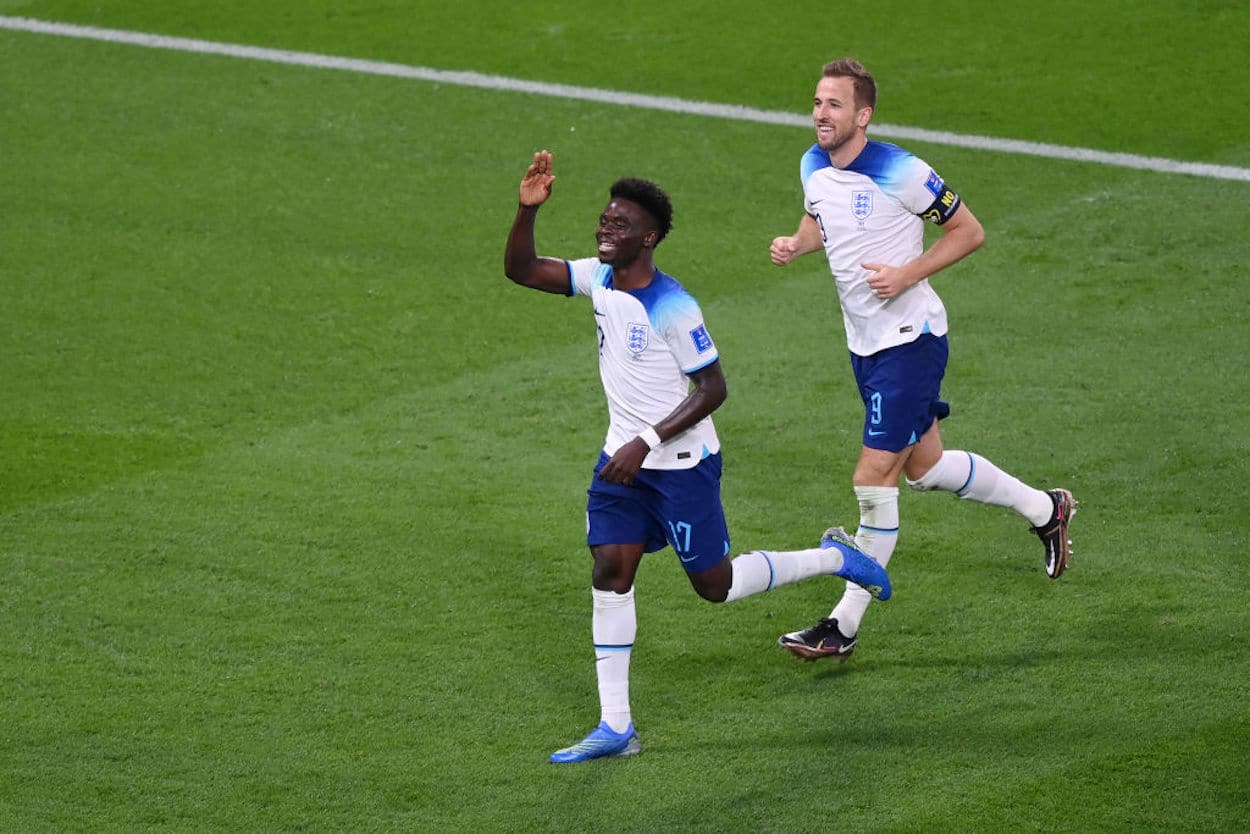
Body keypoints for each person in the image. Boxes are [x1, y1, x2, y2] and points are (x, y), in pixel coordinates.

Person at [504, 149, 891, 763]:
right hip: (621, 466)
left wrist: (647, 441)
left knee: (715, 585)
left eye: (619, 225)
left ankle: (834, 557)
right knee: (610, 571)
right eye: (603, 221)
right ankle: (616, 727)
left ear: (649, 237)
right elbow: (522, 270)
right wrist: (526, 212)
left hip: (680, 466)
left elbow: (713, 388)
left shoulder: (674, 307)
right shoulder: (599, 278)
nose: (605, 229)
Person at [768, 58, 1077, 662]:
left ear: (864, 114)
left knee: (873, 478)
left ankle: (843, 625)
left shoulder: (903, 171)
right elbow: (820, 216)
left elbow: (969, 231)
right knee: (924, 468)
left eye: (834, 105)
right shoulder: (812, 163)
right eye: (816, 102)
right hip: (865, 346)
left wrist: (907, 272)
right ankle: (1047, 509)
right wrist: (797, 243)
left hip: (909, 340)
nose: (820, 115)